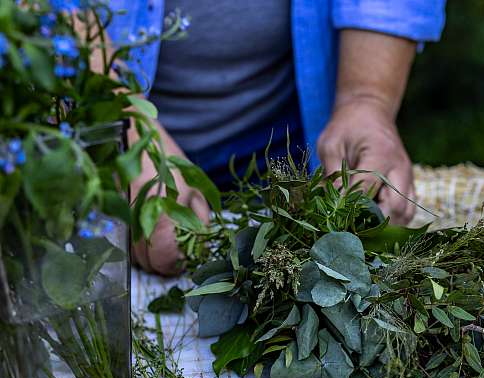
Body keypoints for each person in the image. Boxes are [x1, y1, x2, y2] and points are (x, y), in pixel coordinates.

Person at [107, 1, 446, 275]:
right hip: (106, 144)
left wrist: (368, 97)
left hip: (289, 166)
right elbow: (60, 24)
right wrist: (120, 127)